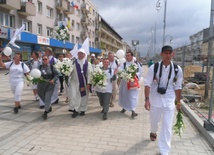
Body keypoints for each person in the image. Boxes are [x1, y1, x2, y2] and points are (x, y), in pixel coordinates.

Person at [144, 45, 183, 155]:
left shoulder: (177, 69)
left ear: (172, 54)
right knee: (154, 122)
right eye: (165, 53)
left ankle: (164, 151)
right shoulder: (154, 67)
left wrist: (178, 102)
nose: (167, 55)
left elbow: (178, 86)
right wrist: (146, 99)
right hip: (155, 99)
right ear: (161, 54)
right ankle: (153, 131)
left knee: (167, 126)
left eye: (170, 53)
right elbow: (147, 84)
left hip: (169, 100)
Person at [68, 48, 92, 118]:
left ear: (84, 55)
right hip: (74, 82)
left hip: (84, 82)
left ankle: (82, 109)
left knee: (84, 96)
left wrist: (89, 83)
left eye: (82, 54)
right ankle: (75, 109)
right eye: (79, 54)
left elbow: (90, 73)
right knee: (74, 96)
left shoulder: (88, 63)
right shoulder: (73, 62)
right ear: (77, 54)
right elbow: (70, 71)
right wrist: (66, 73)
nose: (80, 55)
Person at [118, 51, 143, 118]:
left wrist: (134, 75)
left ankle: (133, 111)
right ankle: (124, 108)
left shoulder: (137, 64)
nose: (127, 57)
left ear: (132, 56)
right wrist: (125, 75)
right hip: (125, 83)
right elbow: (120, 71)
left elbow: (140, 72)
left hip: (133, 83)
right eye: (126, 55)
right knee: (124, 95)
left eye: (128, 55)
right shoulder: (124, 64)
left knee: (132, 96)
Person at [37, 55, 59, 120]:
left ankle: (45, 112)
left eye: (46, 59)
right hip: (41, 84)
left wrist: (53, 80)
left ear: (48, 60)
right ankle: (48, 105)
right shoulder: (40, 67)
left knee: (47, 97)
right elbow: (36, 74)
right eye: (43, 59)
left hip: (50, 84)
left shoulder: (52, 67)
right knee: (40, 94)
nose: (44, 61)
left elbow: (57, 74)